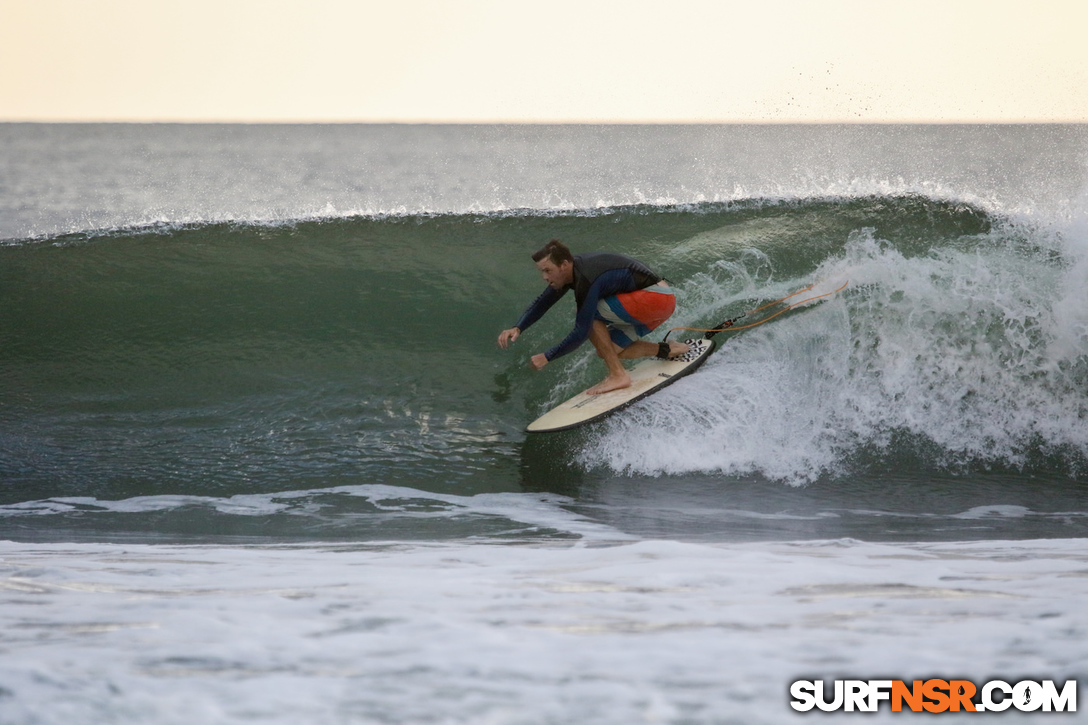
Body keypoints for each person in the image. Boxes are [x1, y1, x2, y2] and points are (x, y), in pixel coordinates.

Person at [497, 239, 689, 395]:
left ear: (564, 265)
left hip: (656, 298)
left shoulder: (587, 277)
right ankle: (668, 350)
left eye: (548, 271)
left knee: (590, 315)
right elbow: (543, 302)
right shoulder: (571, 273)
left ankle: (618, 374)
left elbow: (581, 331)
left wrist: (547, 356)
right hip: (656, 306)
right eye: (542, 272)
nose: (545, 277)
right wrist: (518, 327)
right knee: (609, 350)